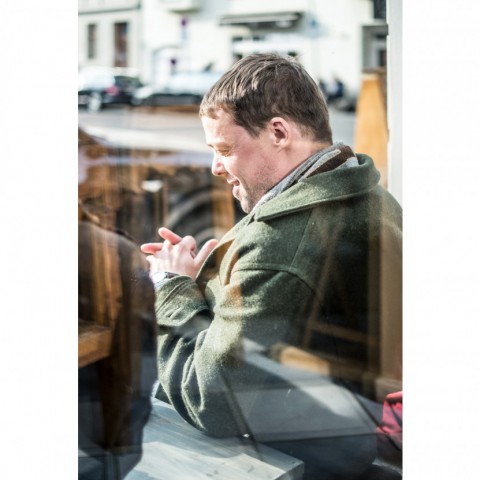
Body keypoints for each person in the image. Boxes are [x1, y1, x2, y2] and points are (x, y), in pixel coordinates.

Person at [141, 53, 402, 479]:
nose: (216, 168)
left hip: (296, 459)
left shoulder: (284, 244)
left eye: (224, 149)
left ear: (279, 132)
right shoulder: (367, 194)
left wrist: (171, 287)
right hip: (342, 432)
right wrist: (210, 278)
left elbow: (210, 399)